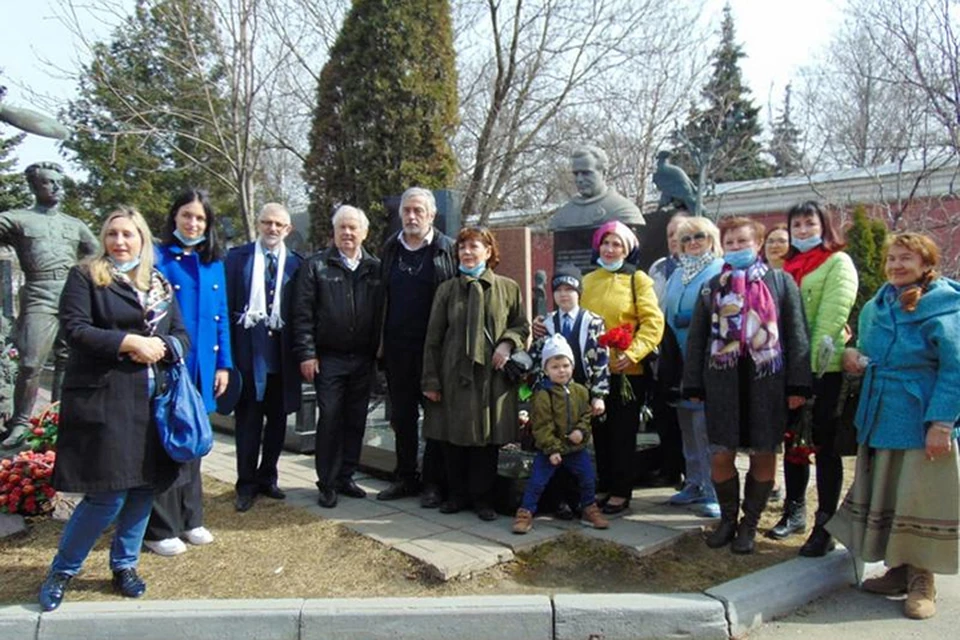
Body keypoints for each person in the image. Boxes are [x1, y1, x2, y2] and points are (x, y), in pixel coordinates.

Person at [37, 207, 188, 611]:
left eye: (128, 234)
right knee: (107, 495)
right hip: (106, 400)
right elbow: (75, 328)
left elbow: (180, 334)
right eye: (112, 234)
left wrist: (166, 348)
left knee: (142, 489)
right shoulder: (87, 277)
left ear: (142, 239)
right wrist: (130, 343)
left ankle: (124, 565)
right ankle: (63, 570)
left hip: (152, 404)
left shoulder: (158, 284)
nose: (119, 242)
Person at [828, 232, 960, 621]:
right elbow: (869, 351)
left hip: (921, 415)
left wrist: (942, 422)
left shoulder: (947, 306)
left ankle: (923, 579)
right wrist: (852, 355)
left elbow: (955, 369)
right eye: (892, 259)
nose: (897, 266)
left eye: (907, 259)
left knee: (919, 495)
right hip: (882, 411)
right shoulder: (875, 306)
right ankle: (899, 569)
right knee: (890, 493)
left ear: (925, 264)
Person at [683, 216, 811, 554]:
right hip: (722, 382)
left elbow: (796, 335)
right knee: (721, 453)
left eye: (744, 241)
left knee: (763, 453)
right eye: (731, 242)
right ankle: (728, 519)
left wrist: (798, 385)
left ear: (758, 244)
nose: (737, 247)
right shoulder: (712, 287)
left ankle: (749, 525)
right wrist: (693, 383)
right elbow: (697, 339)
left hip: (765, 382)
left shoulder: (781, 283)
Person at [144, 189, 232, 556]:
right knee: (167, 442)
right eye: (187, 216)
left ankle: (191, 518)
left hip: (204, 367)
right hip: (170, 363)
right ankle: (160, 527)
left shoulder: (214, 263)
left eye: (200, 219)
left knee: (195, 440)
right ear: (174, 217)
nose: (193, 223)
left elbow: (222, 317)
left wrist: (225, 363)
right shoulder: (158, 258)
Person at [421, 227, 529, 521]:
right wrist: (430, 380)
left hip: (491, 379)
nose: (467, 253)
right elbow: (433, 338)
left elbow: (521, 325)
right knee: (453, 437)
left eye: (474, 247)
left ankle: (483, 500)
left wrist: (507, 344)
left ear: (489, 251)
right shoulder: (446, 290)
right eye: (462, 247)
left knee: (486, 441)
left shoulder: (508, 288)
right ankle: (457, 496)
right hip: (454, 375)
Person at [769, 201, 857, 556]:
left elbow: (830, 319)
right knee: (793, 443)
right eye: (797, 225)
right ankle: (794, 510)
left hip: (824, 370)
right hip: (787, 369)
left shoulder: (837, 263)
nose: (803, 230)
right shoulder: (786, 266)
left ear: (824, 225)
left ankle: (825, 523)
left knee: (822, 446)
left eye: (810, 223)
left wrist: (808, 370)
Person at [0, 162, 99, 448]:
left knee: (70, 360)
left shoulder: (74, 224)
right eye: (49, 182)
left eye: (59, 182)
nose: (57, 187)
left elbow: (95, 251)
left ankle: (58, 416)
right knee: (31, 362)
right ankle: (20, 423)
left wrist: (81, 275)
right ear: (34, 186)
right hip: (38, 293)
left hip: (72, 294)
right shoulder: (18, 219)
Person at [292, 205, 383, 509]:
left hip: (363, 358)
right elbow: (302, 313)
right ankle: (327, 482)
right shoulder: (316, 265)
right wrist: (307, 353)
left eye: (353, 228)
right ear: (333, 232)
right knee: (330, 418)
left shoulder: (375, 268)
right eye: (341, 227)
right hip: (328, 358)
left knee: (356, 419)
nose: (347, 233)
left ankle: (346, 475)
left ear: (364, 233)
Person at [376, 188, 458, 507]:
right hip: (397, 350)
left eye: (418, 211)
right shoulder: (390, 250)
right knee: (402, 418)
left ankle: (433, 484)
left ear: (431, 215)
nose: (412, 216)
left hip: (434, 352)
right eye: (407, 210)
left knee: (435, 419)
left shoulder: (446, 250)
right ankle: (405, 477)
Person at [580, 220, 664, 515]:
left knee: (622, 432)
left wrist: (634, 352)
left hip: (626, 370)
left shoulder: (637, 279)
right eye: (606, 243)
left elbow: (653, 322)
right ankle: (604, 484)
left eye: (617, 244)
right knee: (599, 430)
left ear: (627, 250)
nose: (611, 249)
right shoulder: (588, 280)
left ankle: (621, 490)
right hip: (595, 372)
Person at [224, 203, 303, 512]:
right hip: (248, 356)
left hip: (282, 359)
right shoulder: (236, 259)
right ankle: (246, 484)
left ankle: (268, 477)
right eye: (267, 222)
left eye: (279, 225)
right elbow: (226, 306)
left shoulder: (297, 264)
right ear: (258, 224)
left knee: (277, 423)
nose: (272, 229)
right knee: (248, 424)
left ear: (288, 230)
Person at [529, 263, 609, 518]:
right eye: (559, 289)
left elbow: (601, 360)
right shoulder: (546, 324)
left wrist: (598, 395)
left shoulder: (593, 322)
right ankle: (558, 500)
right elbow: (535, 357)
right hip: (551, 396)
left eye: (570, 289)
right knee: (552, 447)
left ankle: (580, 500)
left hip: (580, 394)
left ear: (579, 292)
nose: (564, 295)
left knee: (579, 447)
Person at [660, 217, 725, 518]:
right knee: (687, 425)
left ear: (711, 238)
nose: (692, 243)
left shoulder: (720, 271)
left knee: (705, 429)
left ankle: (715, 490)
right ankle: (695, 482)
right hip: (679, 361)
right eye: (686, 239)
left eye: (699, 237)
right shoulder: (677, 275)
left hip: (707, 361)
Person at [512, 335, 609, 533]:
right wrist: (552, 448)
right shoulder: (542, 394)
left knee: (588, 477)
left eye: (565, 365)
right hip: (549, 450)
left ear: (572, 366)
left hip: (575, 448)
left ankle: (589, 509)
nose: (561, 370)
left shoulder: (581, 391)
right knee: (537, 482)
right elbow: (542, 425)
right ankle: (525, 513)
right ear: (546, 370)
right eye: (555, 367)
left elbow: (586, 415)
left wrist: (581, 432)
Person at [550, 146, 645, 229]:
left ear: (604, 173)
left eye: (586, 173)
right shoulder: (562, 217)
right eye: (576, 174)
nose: (579, 179)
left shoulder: (623, 211)